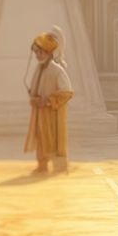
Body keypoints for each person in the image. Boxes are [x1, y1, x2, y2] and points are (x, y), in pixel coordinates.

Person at [24, 26, 74, 174]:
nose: (38, 55)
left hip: (53, 113)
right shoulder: (39, 69)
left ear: (48, 52)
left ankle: (59, 168)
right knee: (41, 138)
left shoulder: (57, 70)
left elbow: (67, 92)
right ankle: (42, 165)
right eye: (37, 52)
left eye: (41, 52)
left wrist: (48, 101)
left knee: (55, 139)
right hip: (40, 113)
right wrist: (34, 98)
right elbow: (35, 89)